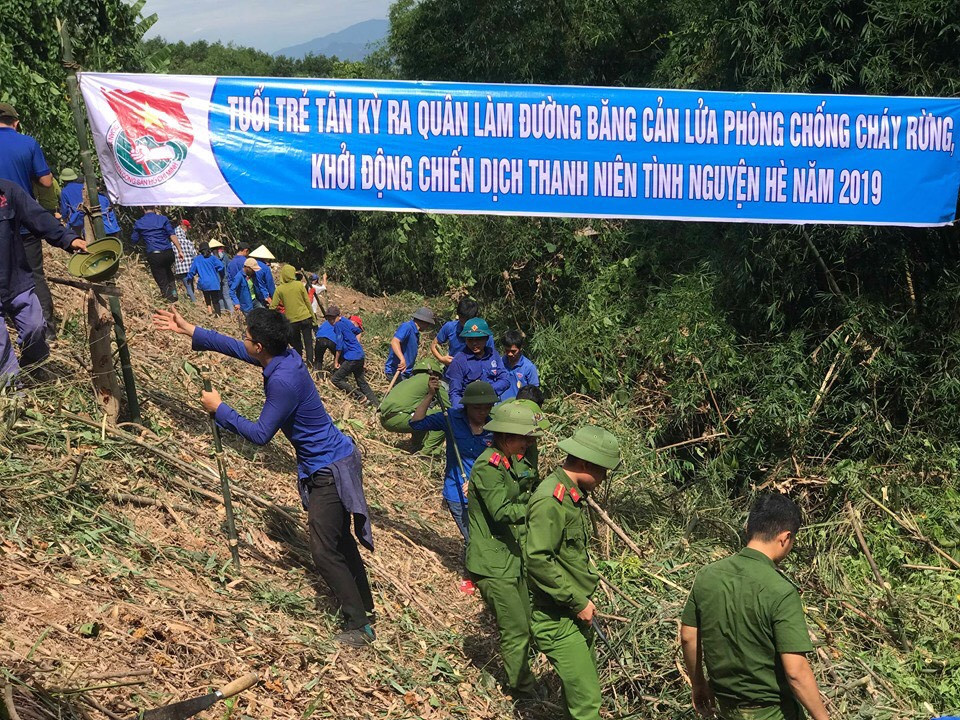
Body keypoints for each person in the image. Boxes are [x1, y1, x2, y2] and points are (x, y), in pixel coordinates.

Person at [151, 306, 376, 646]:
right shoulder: (284, 355)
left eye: (248, 338)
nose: (245, 343)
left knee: (323, 549)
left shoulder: (283, 380)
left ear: (261, 346)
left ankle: (358, 626)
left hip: (328, 469)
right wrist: (191, 331)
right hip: (337, 458)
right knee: (339, 541)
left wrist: (219, 409)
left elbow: (260, 434)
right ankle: (365, 610)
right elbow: (237, 347)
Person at [680, 494, 829, 720]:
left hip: (727, 710)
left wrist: (698, 683)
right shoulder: (781, 591)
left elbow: (688, 637)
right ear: (786, 538)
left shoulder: (707, 576)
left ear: (748, 527)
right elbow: (796, 672)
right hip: (774, 713)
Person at [525, 425, 621, 720]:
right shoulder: (550, 500)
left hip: (572, 610)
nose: (603, 479)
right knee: (587, 703)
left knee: (580, 695)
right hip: (556, 617)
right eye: (603, 471)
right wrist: (576, 601)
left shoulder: (570, 496)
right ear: (584, 463)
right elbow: (538, 559)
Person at [467, 401, 548, 698]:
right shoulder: (488, 466)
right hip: (491, 563)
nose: (527, 443)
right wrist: (535, 505)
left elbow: (530, 476)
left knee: (527, 623)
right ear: (504, 436)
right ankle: (523, 691)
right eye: (522, 438)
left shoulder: (511, 460)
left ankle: (525, 678)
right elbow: (501, 511)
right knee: (516, 630)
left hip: (511, 558)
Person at [410, 379, 497, 594]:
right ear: (467, 406)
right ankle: (471, 575)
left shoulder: (495, 427)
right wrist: (429, 395)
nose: (482, 413)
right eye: (477, 408)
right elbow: (417, 423)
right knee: (471, 536)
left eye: (487, 408)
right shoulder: (451, 418)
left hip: (484, 491)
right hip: (457, 490)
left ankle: (486, 570)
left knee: (485, 534)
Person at [0, 179, 86, 381]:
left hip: (15, 278)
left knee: (36, 327)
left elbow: (37, 217)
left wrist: (68, 239)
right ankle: (13, 394)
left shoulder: (8, 191)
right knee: (1, 345)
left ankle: (32, 369)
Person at [0, 102, 59, 340]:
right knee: (34, 274)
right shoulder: (28, 143)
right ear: (16, 122)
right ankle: (47, 332)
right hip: (24, 224)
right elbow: (45, 182)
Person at [378, 356, 448, 456]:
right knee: (444, 418)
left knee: (423, 415)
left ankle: (416, 446)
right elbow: (450, 407)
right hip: (400, 417)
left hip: (385, 419)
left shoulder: (406, 381)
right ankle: (427, 453)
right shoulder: (431, 381)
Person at [446, 317, 512, 407]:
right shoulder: (459, 361)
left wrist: (486, 391)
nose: (474, 344)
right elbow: (454, 393)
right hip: (470, 408)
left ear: (486, 338)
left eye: (478, 339)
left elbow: (505, 380)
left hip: (492, 404)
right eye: (470, 340)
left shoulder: (493, 354)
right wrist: (461, 413)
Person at [327, 305, 379, 407]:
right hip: (360, 355)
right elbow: (358, 331)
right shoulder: (346, 321)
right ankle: (377, 405)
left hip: (352, 357)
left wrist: (336, 361)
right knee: (361, 381)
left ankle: (360, 396)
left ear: (338, 316)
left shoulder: (338, 325)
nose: (331, 321)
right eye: (329, 319)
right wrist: (356, 343)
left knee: (336, 379)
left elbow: (339, 345)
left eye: (333, 318)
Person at [131, 208, 185, 301]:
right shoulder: (163, 219)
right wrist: (179, 250)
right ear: (154, 208)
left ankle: (170, 301)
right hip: (168, 253)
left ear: (142, 208)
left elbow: (134, 240)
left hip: (155, 254)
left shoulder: (139, 223)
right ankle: (174, 294)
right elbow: (172, 234)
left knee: (162, 280)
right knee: (169, 273)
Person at [271, 265, 317, 366]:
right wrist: (313, 318)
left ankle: (298, 362)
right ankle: (310, 363)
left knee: (297, 344)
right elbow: (307, 302)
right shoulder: (299, 285)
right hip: (306, 317)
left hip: (292, 321)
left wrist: (273, 320)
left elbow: (273, 307)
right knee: (308, 342)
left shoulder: (279, 289)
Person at [58, 168, 121, 238]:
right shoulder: (86, 188)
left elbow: (65, 209)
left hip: (79, 219)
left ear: (63, 180)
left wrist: (65, 219)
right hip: (105, 225)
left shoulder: (64, 191)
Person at [432, 297, 493, 366]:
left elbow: (491, 357)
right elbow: (434, 345)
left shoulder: (484, 333)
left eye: (467, 321)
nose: (464, 325)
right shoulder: (450, 327)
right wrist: (442, 359)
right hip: (453, 370)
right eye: (462, 321)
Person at [385, 307, 436, 380]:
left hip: (406, 372)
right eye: (428, 324)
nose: (428, 327)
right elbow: (394, 342)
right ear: (424, 322)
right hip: (396, 371)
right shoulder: (407, 327)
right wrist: (402, 359)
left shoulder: (415, 332)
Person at [186, 242, 225, 316]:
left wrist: (189, 278)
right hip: (214, 282)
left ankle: (209, 312)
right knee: (215, 300)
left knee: (207, 298)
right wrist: (221, 275)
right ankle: (218, 314)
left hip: (204, 282)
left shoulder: (197, 259)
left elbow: (192, 271)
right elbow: (221, 267)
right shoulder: (213, 258)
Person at [500, 329, 540, 400]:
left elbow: (534, 393)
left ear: (520, 348)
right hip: (500, 407)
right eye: (507, 350)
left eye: (513, 351)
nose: (509, 354)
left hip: (519, 408)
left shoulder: (529, 367)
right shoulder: (499, 363)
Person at [171, 219, 198, 303]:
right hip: (190, 267)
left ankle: (192, 301)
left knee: (187, 285)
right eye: (187, 228)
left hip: (180, 267)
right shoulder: (187, 241)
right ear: (184, 227)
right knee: (190, 286)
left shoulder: (173, 241)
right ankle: (194, 302)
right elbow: (194, 254)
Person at [209, 240, 232, 313]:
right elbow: (229, 265)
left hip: (215, 278)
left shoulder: (210, 257)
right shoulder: (224, 255)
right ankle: (232, 312)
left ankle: (223, 311)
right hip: (224, 276)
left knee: (219, 296)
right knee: (227, 295)